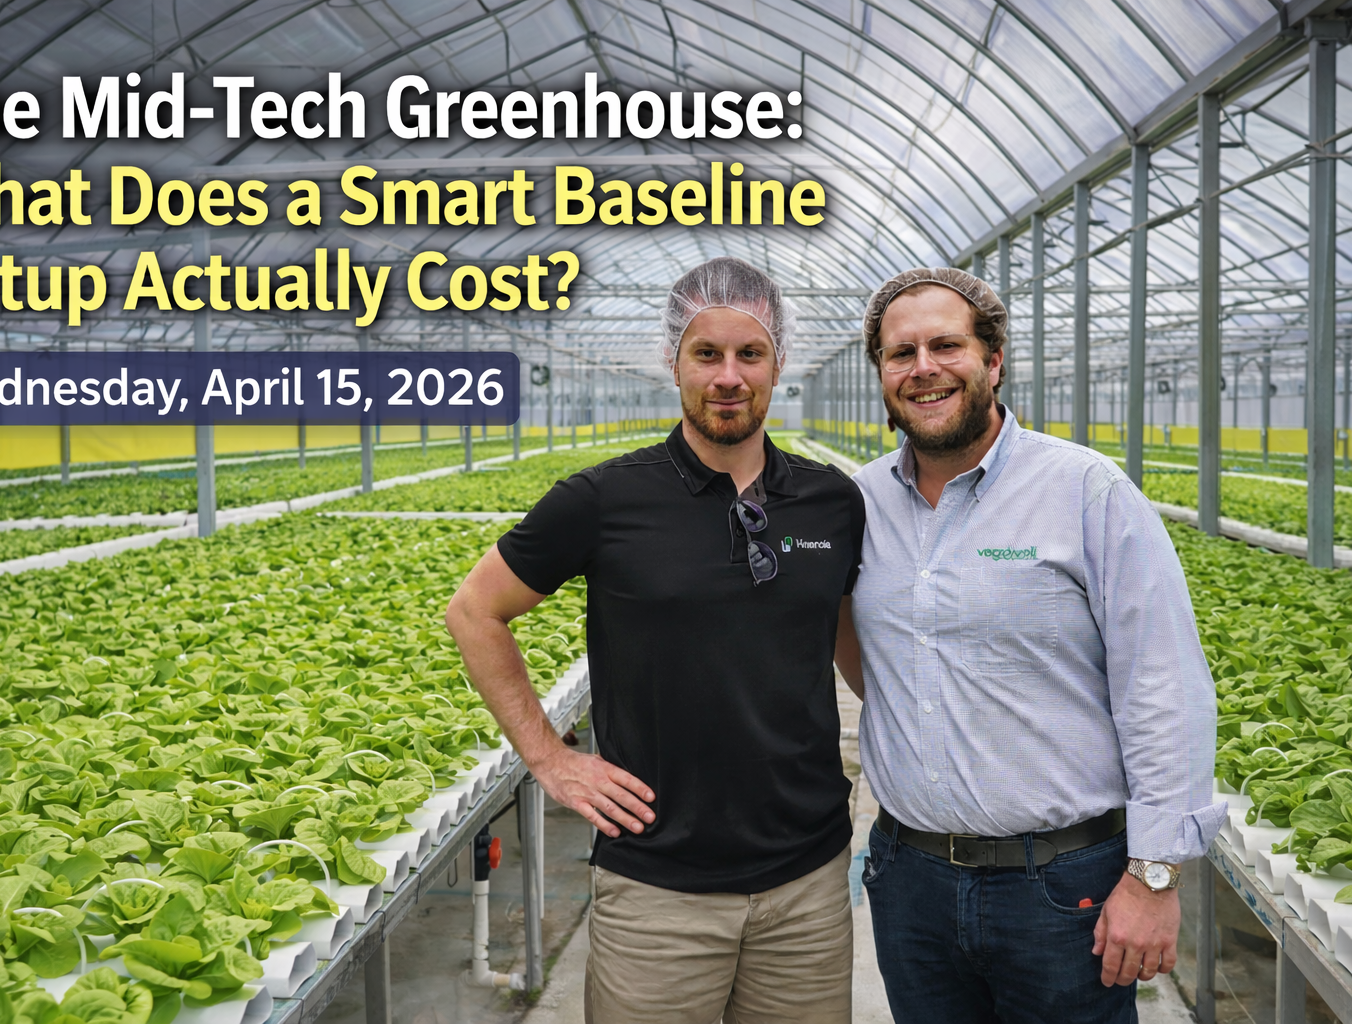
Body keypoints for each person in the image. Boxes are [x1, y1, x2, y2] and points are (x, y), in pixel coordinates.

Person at [446, 256, 865, 1024]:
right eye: (707, 353)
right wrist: (549, 758)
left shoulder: (832, 501)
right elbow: (474, 611)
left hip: (806, 886)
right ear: (673, 361)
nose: (729, 376)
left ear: (780, 364)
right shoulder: (605, 499)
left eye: (751, 353)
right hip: (657, 891)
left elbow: (850, 641)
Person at [834, 267, 1225, 1023]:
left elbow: (1164, 686)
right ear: (881, 372)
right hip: (909, 879)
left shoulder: (1085, 491)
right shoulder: (861, 501)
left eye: (946, 345)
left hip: (1061, 888)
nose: (923, 369)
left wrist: (1154, 877)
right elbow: (865, 659)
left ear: (994, 361)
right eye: (899, 352)